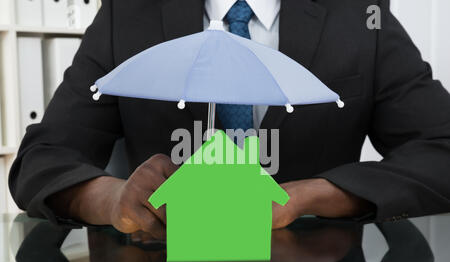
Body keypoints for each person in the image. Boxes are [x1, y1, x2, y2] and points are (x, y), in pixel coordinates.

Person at [9, 0, 450, 239]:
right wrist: (112, 199)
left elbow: (442, 149)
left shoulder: (360, 14)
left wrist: (317, 196)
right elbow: (42, 160)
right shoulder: (128, 12)